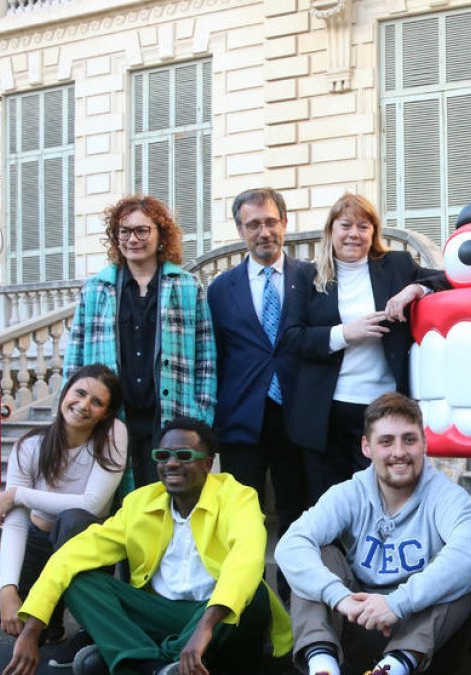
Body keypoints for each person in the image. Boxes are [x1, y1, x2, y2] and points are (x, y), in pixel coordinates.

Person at [0, 416, 291, 675]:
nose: (171, 463)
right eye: (163, 455)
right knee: (79, 579)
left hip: (213, 615)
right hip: (159, 612)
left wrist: (205, 627)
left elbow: (246, 559)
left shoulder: (238, 497)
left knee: (251, 595)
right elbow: (72, 555)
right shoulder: (140, 502)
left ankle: (132, 658)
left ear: (207, 463)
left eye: (184, 455)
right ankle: (157, 666)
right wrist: (33, 628)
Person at [276, 392, 471, 675]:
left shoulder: (447, 496)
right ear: (366, 447)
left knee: (468, 570)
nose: (399, 451)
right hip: (359, 620)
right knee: (315, 554)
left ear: (424, 443)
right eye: (386, 441)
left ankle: (392, 668)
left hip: (421, 638)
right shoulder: (350, 492)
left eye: (409, 439)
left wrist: (396, 603)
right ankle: (322, 665)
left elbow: (469, 553)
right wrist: (339, 597)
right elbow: (291, 544)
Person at [282, 192, 448, 499]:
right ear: (331, 230)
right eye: (346, 225)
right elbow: (292, 338)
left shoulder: (396, 266)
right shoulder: (308, 276)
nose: (354, 234)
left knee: (381, 498)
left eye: (363, 226)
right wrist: (346, 333)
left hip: (381, 407)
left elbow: (450, 278)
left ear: (374, 233)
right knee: (330, 502)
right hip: (325, 411)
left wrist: (414, 288)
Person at [63, 195, 217, 489]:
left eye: (142, 230)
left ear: (160, 235)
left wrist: (202, 413)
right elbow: (75, 353)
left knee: (169, 498)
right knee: (116, 501)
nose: (133, 238)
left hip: (173, 414)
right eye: (124, 231)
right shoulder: (97, 289)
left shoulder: (186, 286)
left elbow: (206, 357)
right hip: (110, 416)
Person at [0, 364, 128, 648]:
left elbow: (91, 504)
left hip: (82, 540)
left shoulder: (113, 434)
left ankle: (70, 621)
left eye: (97, 402)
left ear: (107, 413)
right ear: (65, 392)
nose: (83, 405)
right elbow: (17, 521)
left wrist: (19, 494)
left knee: (74, 520)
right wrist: (8, 588)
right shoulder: (29, 445)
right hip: (38, 538)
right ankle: (50, 623)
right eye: (79, 393)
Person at [207, 187, 313, 599]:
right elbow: (213, 355)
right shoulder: (220, 290)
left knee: (297, 517)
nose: (263, 231)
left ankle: (294, 608)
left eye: (271, 222)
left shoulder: (312, 278)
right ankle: (246, 605)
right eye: (254, 224)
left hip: (298, 418)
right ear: (240, 230)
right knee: (243, 521)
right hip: (241, 422)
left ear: (284, 224)